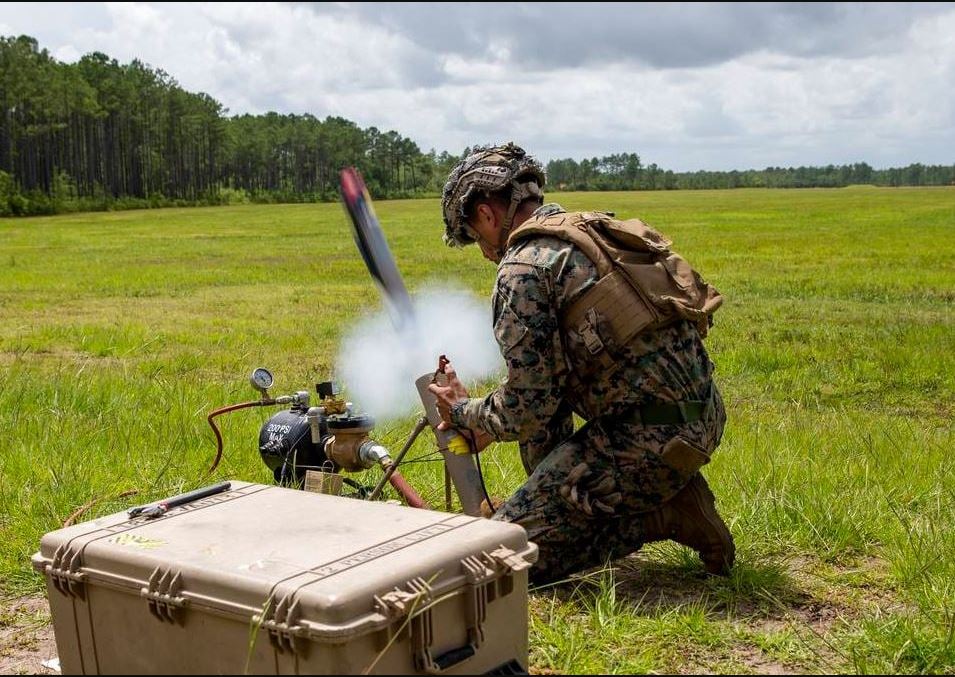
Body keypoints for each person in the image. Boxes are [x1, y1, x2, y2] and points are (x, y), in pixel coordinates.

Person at [429, 142, 734, 585]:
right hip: (699, 420)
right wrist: (491, 419)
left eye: (475, 236)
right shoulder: (588, 233)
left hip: (649, 442)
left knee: (501, 561)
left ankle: (664, 515)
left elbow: (527, 407)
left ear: (486, 215)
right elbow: (543, 390)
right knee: (537, 475)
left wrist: (463, 412)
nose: (483, 251)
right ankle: (568, 509)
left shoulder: (522, 268)